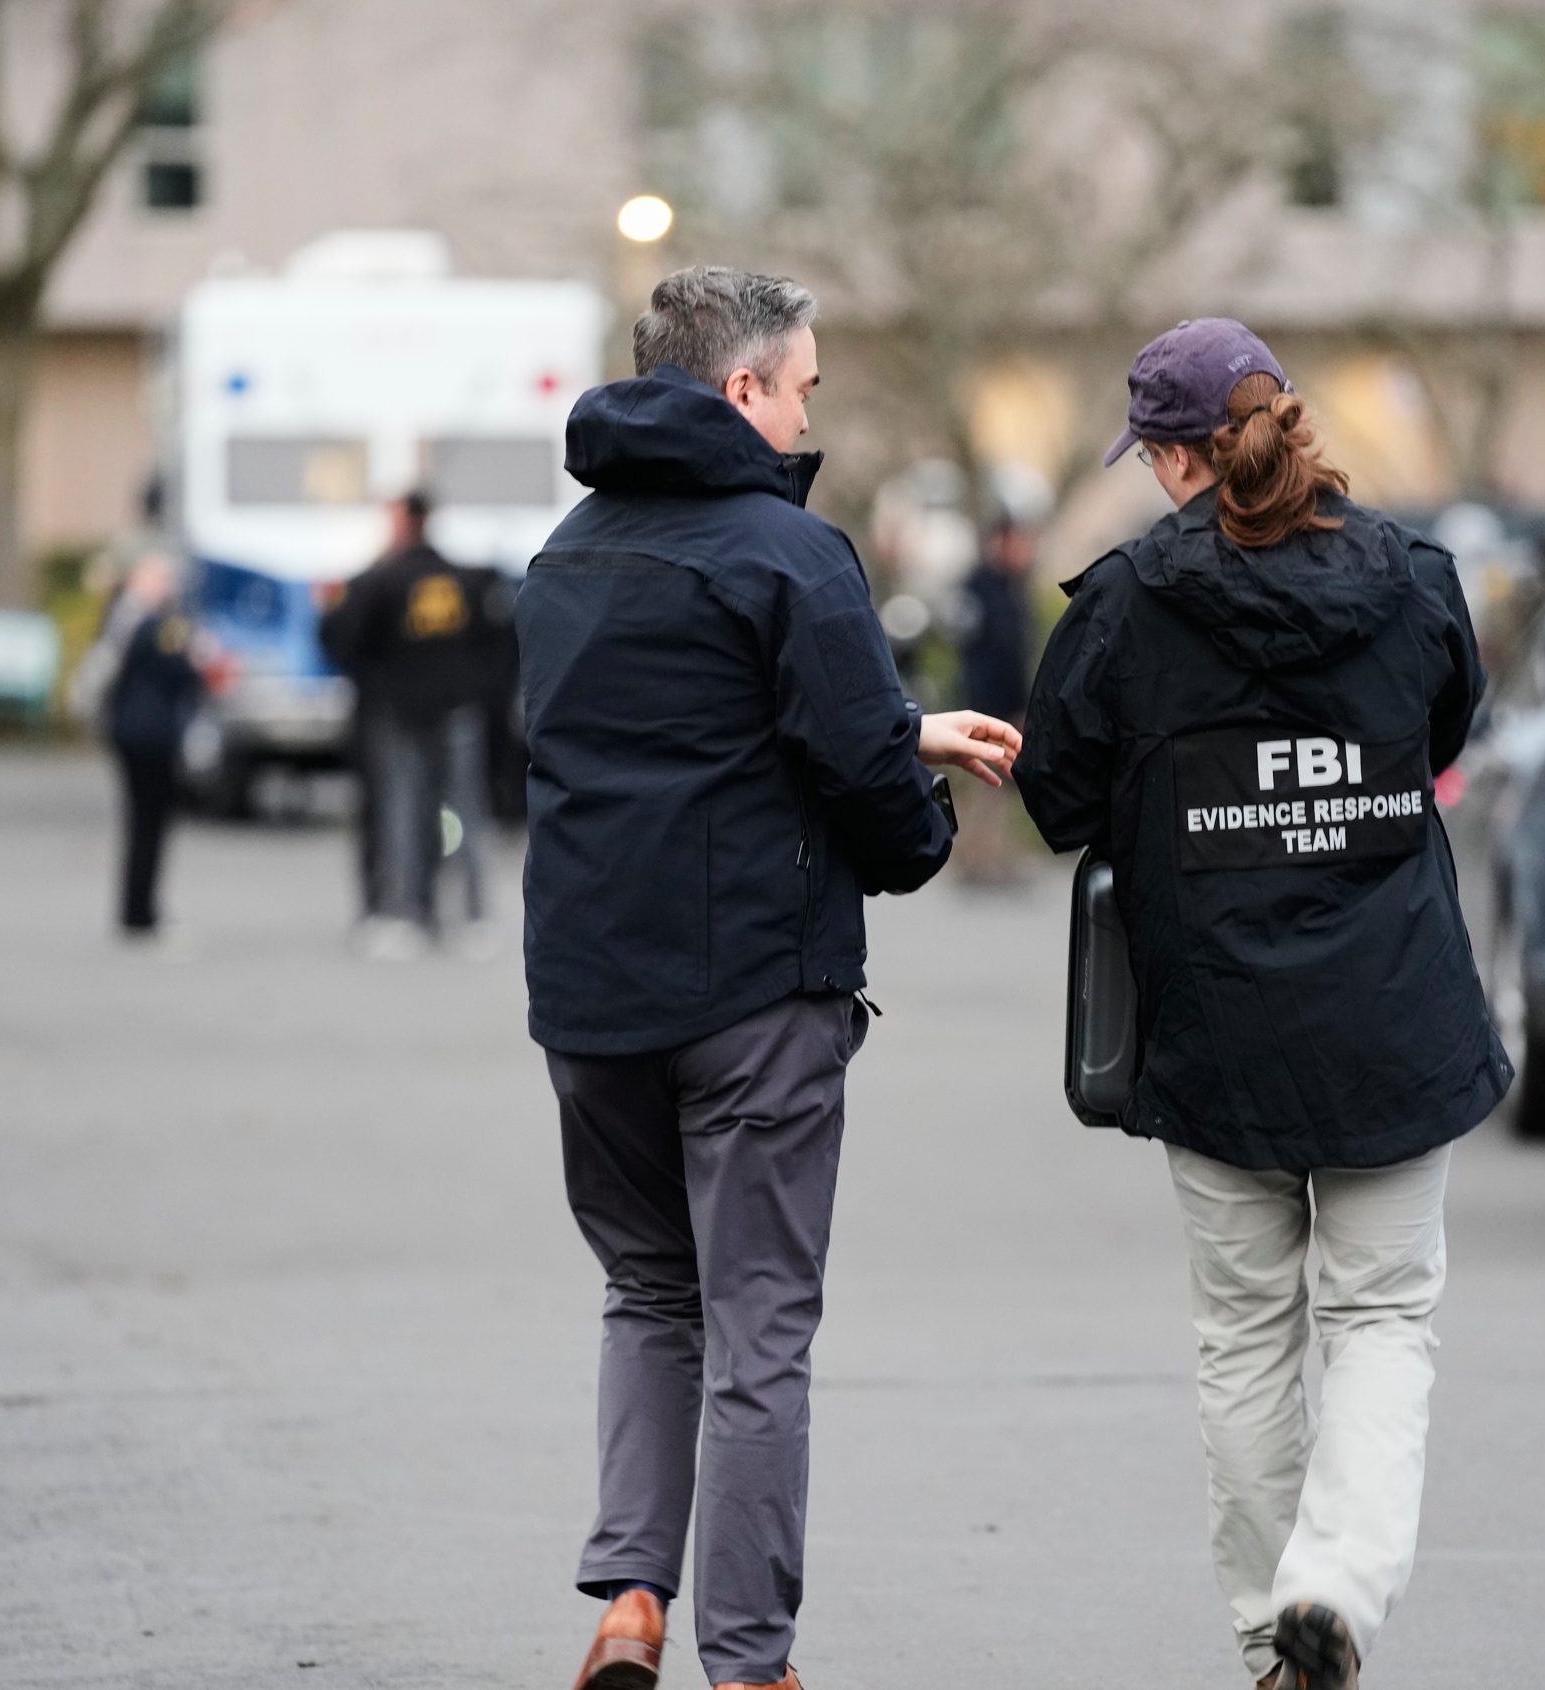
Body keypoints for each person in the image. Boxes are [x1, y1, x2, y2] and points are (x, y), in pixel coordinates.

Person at [520, 264, 1021, 1690]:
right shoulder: (792, 555)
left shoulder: (566, 554)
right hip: (751, 993)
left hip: (590, 995)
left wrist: (896, 733)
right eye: (802, 384)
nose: (812, 412)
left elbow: (665, 735)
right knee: (758, 1326)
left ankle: (629, 1599)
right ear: (739, 390)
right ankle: (750, 1660)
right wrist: (916, 818)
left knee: (646, 1294)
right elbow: (856, 771)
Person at [1014, 320, 1507, 1690]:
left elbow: (1059, 797)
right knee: (1382, 1321)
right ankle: (1333, 1588)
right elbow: (1442, 732)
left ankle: (1267, 1642)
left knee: (1244, 1338)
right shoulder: (1414, 581)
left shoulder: (1125, 604)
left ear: (1174, 461)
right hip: (1395, 1018)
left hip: (1218, 1025)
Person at [320, 491, 499, 959]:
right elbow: (496, 643)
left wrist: (376, 685)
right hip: (458, 711)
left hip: (400, 716)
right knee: (465, 817)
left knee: (403, 816)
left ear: (403, 521)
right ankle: (474, 918)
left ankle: (405, 916)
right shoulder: (465, 578)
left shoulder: (382, 580)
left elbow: (342, 639)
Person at [78, 551, 205, 939]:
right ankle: (140, 913)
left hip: (127, 731)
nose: (168, 586)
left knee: (140, 824)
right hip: (150, 735)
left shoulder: (119, 618)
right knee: (149, 825)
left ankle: (138, 910)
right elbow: (182, 670)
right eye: (161, 578)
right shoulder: (155, 624)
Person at [950, 515, 1040, 885]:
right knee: (982, 781)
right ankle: (973, 858)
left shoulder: (1012, 587)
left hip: (1007, 705)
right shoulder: (978, 587)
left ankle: (990, 856)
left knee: (999, 786)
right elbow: (977, 649)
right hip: (983, 703)